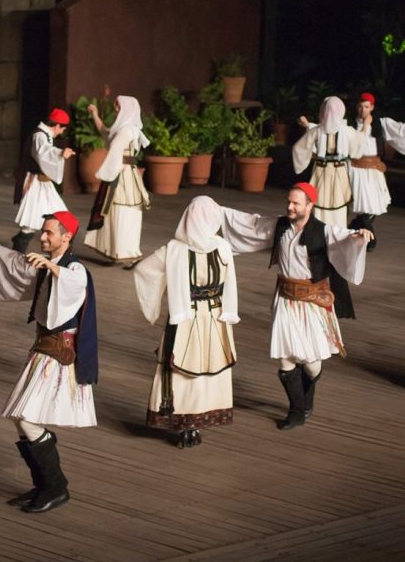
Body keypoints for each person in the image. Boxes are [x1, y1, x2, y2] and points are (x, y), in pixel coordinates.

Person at [0, 212, 97, 513]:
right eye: (42, 233)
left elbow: (76, 283)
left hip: (59, 353)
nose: (43, 237)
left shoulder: (73, 268)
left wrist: (51, 267)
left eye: (49, 233)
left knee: (26, 418)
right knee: (22, 419)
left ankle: (56, 487)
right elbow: (12, 260)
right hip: (43, 347)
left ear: (66, 237)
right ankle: (44, 486)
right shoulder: (47, 265)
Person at [220, 183, 371, 431]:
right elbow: (252, 224)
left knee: (311, 363)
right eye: (288, 202)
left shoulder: (322, 231)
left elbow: (344, 237)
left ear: (310, 206)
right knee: (285, 359)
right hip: (285, 299)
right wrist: (219, 213)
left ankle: (306, 396)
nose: (289, 207)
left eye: (296, 203)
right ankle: (297, 410)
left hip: (312, 303)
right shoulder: (281, 226)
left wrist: (358, 236)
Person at [132, 196, 240, 447]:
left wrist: (157, 301)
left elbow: (143, 270)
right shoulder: (221, 247)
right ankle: (197, 423)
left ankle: (185, 424)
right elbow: (230, 282)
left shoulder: (173, 250)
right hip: (213, 317)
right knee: (204, 368)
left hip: (187, 317)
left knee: (186, 368)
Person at [348, 92, 405, 245]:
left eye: (366, 107)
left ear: (372, 108)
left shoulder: (380, 123)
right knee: (363, 204)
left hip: (374, 168)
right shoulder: (351, 125)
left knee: (374, 205)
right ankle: (368, 236)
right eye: (360, 106)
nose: (363, 110)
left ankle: (356, 228)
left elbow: (400, 129)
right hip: (357, 168)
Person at [84, 95, 150, 266]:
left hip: (122, 174)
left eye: (119, 107)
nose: (116, 110)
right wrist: (95, 115)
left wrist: (106, 172)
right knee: (118, 211)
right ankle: (118, 251)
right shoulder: (127, 129)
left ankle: (126, 251)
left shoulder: (126, 130)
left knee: (123, 210)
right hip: (124, 172)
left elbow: (114, 150)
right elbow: (106, 134)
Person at [9, 107, 75, 253]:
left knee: (62, 215)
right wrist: (61, 152)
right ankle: (17, 253)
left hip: (44, 183)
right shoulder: (39, 136)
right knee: (31, 221)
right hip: (35, 184)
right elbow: (43, 152)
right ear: (57, 125)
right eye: (62, 128)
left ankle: (63, 253)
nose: (62, 132)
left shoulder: (45, 134)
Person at [293, 96, 364, 229]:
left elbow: (299, 148)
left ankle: (320, 234)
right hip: (337, 171)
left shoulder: (317, 130)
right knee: (336, 205)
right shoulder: (347, 131)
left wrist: (310, 156)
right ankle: (336, 236)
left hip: (322, 171)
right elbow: (357, 151)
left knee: (322, 204)